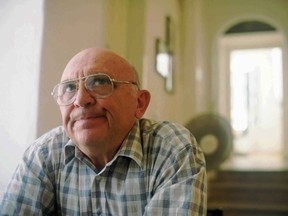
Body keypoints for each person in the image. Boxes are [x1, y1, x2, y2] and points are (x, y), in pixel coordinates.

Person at [0, 47, 207, 215]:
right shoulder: (44, 154)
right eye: (70, 88)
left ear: (139, 103)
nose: (81, 99)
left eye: (99, 82)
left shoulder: (172, 149)